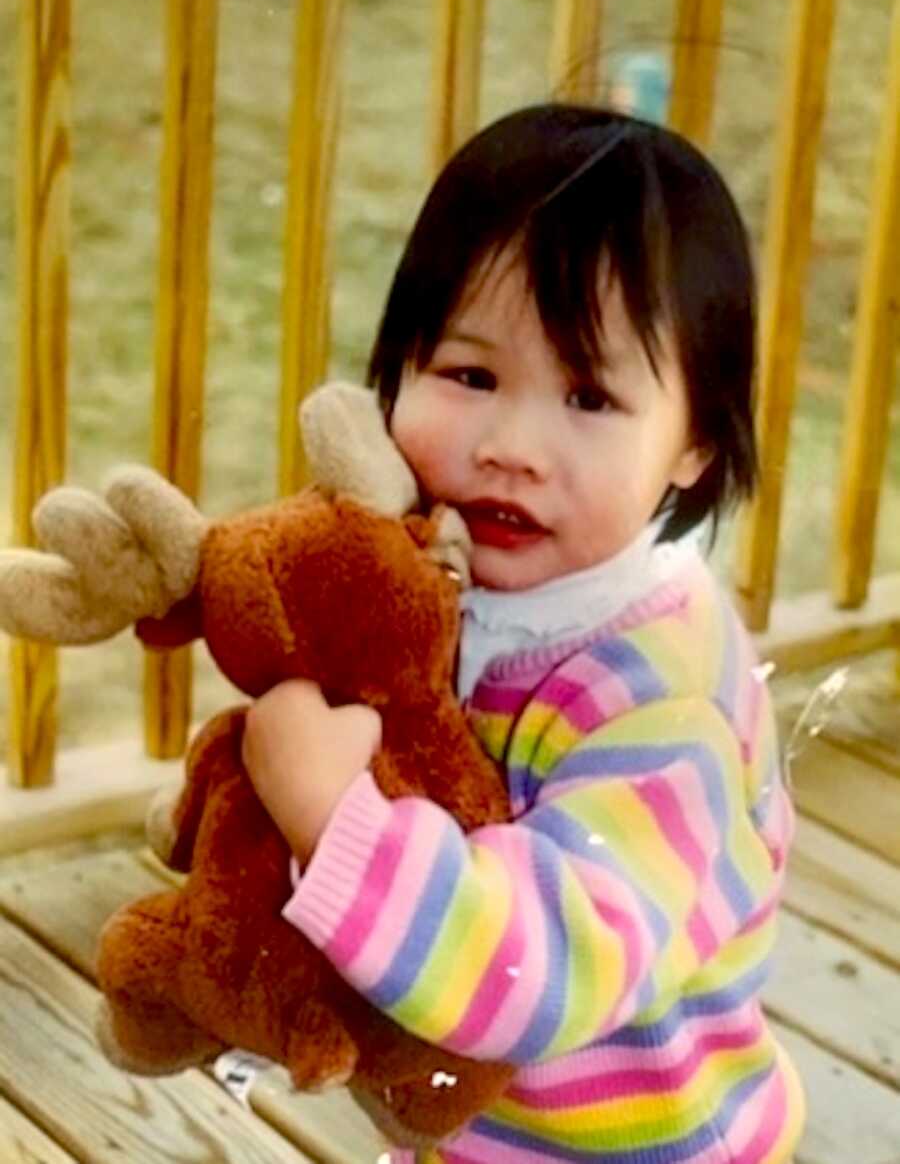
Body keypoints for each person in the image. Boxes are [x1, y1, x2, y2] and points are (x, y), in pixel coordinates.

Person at [242, 104, 805, 1162]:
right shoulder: (430, 583)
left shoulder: (660, 700)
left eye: (590, 395)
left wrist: (329, 812)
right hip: (471, 1123)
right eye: (470, 376)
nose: (511, 446)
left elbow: (546, 966)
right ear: (399, 367)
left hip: (639, 1146)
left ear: (694, 443)